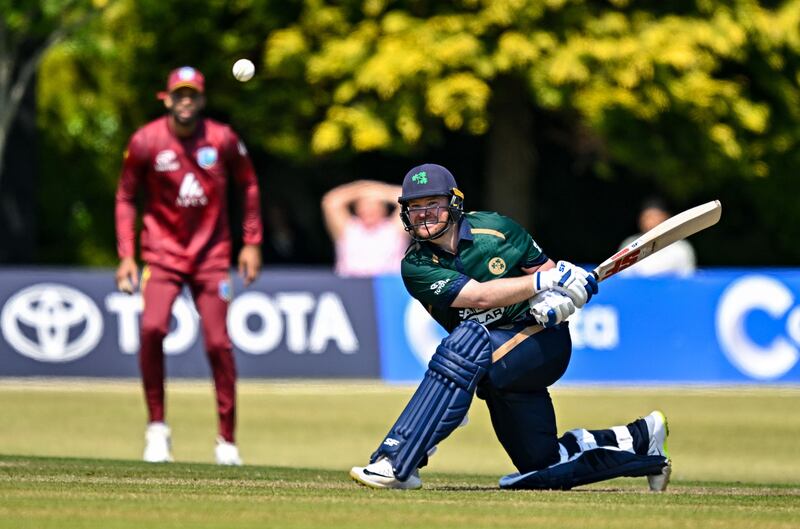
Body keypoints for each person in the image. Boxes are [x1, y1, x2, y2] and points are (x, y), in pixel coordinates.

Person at [349, 163, 671, 491]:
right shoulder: (415, 265)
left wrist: (562, 299)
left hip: (541, 343)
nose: (423, 214)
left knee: (466, 342)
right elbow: (480, 296)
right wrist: (543, 282)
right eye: (414, 207)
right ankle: (640, 440)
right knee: (544, 466)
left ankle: (398, 460)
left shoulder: (497, 230)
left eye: (432, 204)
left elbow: (553, 280)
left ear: (453, 203)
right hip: (492, 367)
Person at [115, 66, 263, 465]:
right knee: (152, 328)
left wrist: (251, 242)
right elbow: (126, 196)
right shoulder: (146, 141)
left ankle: (227, 440)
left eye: (192, 94)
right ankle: (157, 429)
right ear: (166, 98)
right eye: (178, 94)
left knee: (218, 342)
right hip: (162, 255)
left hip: (212, 256)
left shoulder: (222, 138)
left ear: (201, 100)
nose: (185, 101)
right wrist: (127, 254)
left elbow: (248, 184)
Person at [322, 179, 409, 277]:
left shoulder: (394, 228)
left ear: (383, 209)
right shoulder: (348, 228)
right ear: (357, 209)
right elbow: (331, 202)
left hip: (387, 287)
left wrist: (378, 190)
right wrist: (360, 189)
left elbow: (408, 201)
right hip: (351, 286)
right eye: (364, 205)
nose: (368, 209)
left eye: (373, 205)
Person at [619, 198, 696, 277]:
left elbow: (687, 279)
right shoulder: (629, 245)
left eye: (655, 217)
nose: (651, 222)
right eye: (648, 217)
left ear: (666, 218)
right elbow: (624, 278)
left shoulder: (681, 248)